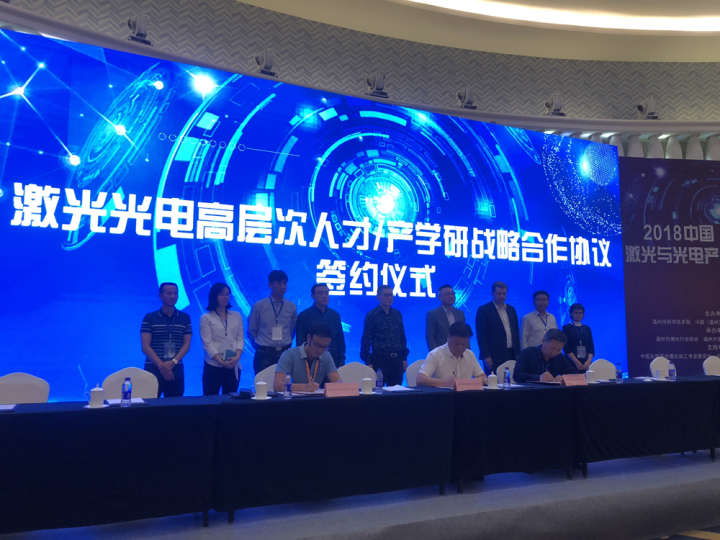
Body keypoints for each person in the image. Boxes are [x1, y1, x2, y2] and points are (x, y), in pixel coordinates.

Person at [140, 282, 192, 397]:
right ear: (160, 296)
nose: (173, 296)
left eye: (175, 293)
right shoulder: (150, 318)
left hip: (176, 367)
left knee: (175, 405)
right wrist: (163, 367)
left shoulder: (185, 318)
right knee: (151, 405)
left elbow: (186, 345)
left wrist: (172, 363)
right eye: (169, 293)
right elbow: (145, 347)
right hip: (153, 368)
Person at [248, 270, 297, 374]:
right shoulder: (259, 306)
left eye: (285, 283)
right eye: (279, 283)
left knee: (284, 383)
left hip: (285, 352)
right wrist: (259, 346)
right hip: (264, 353)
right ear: (270, 285)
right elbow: (252, 330)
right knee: (263, 383)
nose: (283, 286)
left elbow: (292, 330)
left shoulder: (291, 306)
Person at [360, 284, 409, 387]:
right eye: (386, 295)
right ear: (378, 297)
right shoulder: (372, 315)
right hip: (380, 360)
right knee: (378, 391)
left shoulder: (397, 314)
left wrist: (404, 358)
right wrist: (368, 361)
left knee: (396, 391)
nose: (389, 297)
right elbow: (366, 339)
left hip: (397, 360)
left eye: (391, 295)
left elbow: (402, 337)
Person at [199, 283, 244, 395]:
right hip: (213, 365)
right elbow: (207, 344)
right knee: (210, 399)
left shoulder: (236, 316)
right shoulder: (206, 318)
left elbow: (240, 338)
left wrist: (237, 357)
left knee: (230, 399)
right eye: (222, 294)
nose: (225, 297)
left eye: (227, 294)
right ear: (214, 296)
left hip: (232, 363)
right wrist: (221, 362)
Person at [273, 323, 342, 392]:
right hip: (295, 398)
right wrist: (305, 387)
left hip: (316, 397)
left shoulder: (326, 355)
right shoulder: (290, 354)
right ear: (308, 338)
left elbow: (338, 382)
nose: (320, 350)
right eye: (317, 345)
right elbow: (277, 385)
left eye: (324, 347)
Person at [417, 322, 487, 388]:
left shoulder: (470, 355)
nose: (460, 348)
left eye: (464, 344)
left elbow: (483, 378)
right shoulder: (435, 354)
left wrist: (466, 382)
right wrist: (446, 383)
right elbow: (420, 379)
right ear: (448, 337)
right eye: (457, 343)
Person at [295, 283, 346, 367]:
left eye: (326, 293)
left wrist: (341, 362)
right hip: (311, 360)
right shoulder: (304, 315)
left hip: (332, 359)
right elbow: (300, 342)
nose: (324, 296)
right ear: (313, 296)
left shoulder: (334, 315)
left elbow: (340, 340)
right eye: (320, 293)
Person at [475, 281, 520, 375]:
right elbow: (481, 335)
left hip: (511, 353)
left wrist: (518, 353)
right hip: (493, 355)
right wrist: (486, 355)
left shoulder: (511, 309)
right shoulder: (484, 310)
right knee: (494, 381)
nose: (502, 296)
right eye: (499, 293)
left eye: (504, 293)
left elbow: (516, 333)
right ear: (492, 293)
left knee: (512, 379)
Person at [513, 328, 578, 383]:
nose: (554, 352)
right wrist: (538, 378)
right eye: (552, 348)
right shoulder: (527, 353)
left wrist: (565, 377)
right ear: (543, 341)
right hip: (530, 391)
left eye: (558, 350)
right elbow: (517, 375)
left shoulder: (560, 357)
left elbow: (575, 374)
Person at [425, 284, 466, 351]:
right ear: (439, 298)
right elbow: (430, 337)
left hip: (459, 351)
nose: (451, 296)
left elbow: (464, 334)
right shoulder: (433, 314)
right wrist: (434, 354)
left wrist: (466, 352)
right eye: (447, 294)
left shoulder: (460, 314)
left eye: (453, 294)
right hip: (442, 353)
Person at [562, 303, 595, 373]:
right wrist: (576, 361)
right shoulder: (566, 328)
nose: (578, 314)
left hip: (586, 363)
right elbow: (566, 347)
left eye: (580, 313)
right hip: (571, 361)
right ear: (570, 313)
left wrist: (588, 361)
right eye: (575, 312)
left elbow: (591, 346)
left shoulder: (587, 328)